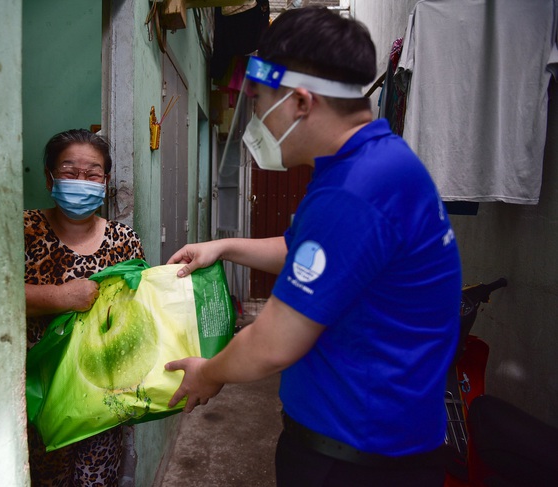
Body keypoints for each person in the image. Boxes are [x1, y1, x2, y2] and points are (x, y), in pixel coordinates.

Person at [165, 7, 461, 487]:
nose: (255, 118)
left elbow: (273, 343)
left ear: (300, 102)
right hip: (373, 445)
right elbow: (305, 251)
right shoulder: (372, 163)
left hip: (356, 458)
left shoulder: (355, 190)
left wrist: (210, 372)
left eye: (259, 101)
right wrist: (222, 246)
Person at [24, 128, 146, 486]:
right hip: (39, 395)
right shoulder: (24, 230)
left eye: (92, 174)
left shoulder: (125, 241)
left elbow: (139, 315)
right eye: (70, 172)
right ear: (49, 176)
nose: (82, 181)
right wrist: (60, 298)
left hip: (101, 399)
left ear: (105, 181)